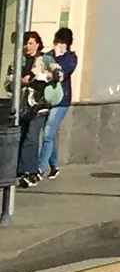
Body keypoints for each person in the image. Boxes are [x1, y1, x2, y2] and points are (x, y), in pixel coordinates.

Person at [14, 31, 54, 189]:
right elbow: (8, 81)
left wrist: (39, 76)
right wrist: (18, 82)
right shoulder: (19, 60)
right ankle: (23, 169)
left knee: (31, 137)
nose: (27, 47)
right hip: (22, 106)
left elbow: (54, 74)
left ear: (37, 43)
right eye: (25, 43)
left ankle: (29, 171)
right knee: (22, 136)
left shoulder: (44, 59)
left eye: (30, 43)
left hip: (40, 106)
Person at [35, 24, 74, 181]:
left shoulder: (71, 58)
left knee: (48, 132)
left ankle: (39, 169)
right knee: (49, 133)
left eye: (60, 42)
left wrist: (57, 61)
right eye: (56, 41)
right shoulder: (49, 55)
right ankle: (54, 165)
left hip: (62, 100)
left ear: (66, 43)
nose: (57, 44)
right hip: (48, 99)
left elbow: (63, 73)